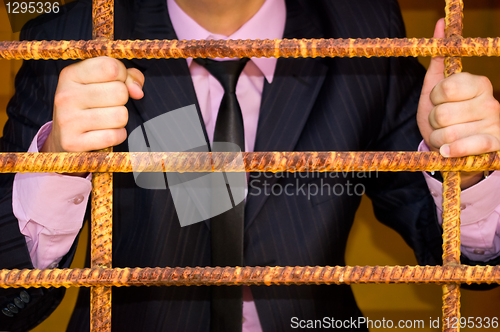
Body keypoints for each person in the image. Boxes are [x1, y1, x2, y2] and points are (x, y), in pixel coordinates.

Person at [1, 0, 500, 331]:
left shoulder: (364, 28)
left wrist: (469, 171)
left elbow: (463, 261)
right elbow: (9, 304)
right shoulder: (69, 34)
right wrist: (57, 167)